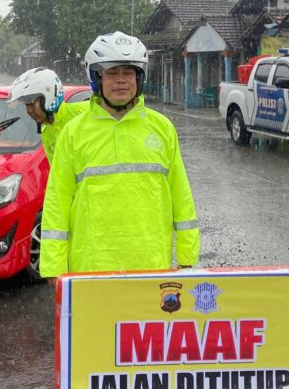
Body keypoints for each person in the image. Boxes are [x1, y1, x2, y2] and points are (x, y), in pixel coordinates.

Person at [39, 31, 199, 280]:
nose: (121, 80)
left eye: (129, 73)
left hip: (151, 267)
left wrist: (188, 257)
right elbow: (57, 203)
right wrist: (53, 267)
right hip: (91, 268)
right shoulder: (73, 132)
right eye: (112, 73)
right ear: (97, 79)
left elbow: (181, 194)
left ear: (140, 78)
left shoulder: (162, 128)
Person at [8, 67, 86, 162]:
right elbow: (57, 172)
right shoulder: (47, 135)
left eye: (32, 104)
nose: (29, 110)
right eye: (26, 105)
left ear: (49, 97)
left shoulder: (85, 112)